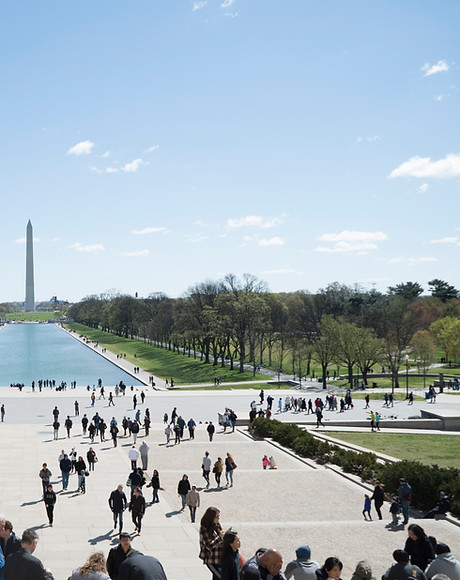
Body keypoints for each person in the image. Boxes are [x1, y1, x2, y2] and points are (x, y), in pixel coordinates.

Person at [199, 507, 225, 580]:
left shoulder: (216, 525)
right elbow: (208, 545)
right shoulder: (204, 529)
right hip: (211, 559)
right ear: (211, 517)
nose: (218, 518)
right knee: (221, 577)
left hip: (219, 558)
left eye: (218, 516)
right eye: (217, 517)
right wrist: (220, 537)